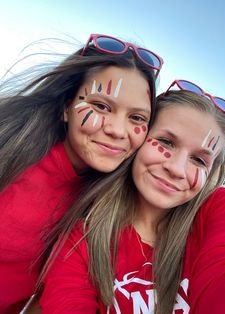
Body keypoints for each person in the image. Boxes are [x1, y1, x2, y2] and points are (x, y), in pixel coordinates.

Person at [0, 33, 164, 313]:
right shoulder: (9, 156)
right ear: (66, 107)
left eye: (137, 118)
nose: (117, 130)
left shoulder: (110, 201)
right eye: (101, 106)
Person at [39, 87, 225, 313]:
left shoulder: (219, 212)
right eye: (165, 142)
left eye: (199, 160)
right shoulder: (81, 237)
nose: (176, 169)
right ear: (138, 139)